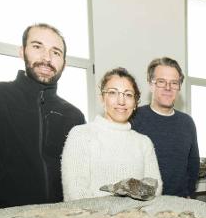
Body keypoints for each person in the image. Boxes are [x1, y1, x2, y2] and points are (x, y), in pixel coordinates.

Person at [0, 23, 84, 216]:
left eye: (56, 52)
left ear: (64, 62)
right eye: (37, 47)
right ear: (22, 51)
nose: (47, 58)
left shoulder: (74, 116)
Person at [61, 68, 162, 200]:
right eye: (113, 93)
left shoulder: (144, 142)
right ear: (102, 98)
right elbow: (75, 193)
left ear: (135, 103)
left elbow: (155, 188)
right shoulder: (81, 135)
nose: (121, 101)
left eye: (128, 94)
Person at [131, 57, 199, 198]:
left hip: (179, 205)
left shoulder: (187, 123)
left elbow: (193, 167)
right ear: (151, 84)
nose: (168, 88)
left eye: (174, 83)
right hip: (141, 206)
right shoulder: (134, 118)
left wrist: (188, 195)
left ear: (179, 87)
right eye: (161, 82)